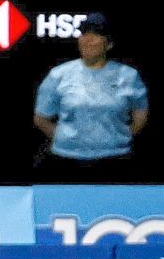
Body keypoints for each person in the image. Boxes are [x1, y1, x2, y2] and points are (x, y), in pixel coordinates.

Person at [32, 12, 148, 183]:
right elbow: (41, 119)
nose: (89, 39)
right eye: (85, 34)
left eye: (96, 35)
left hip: (115, 161)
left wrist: (117, 138)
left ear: (108, 44)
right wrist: (69, 140)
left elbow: (140, 113)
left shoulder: (128, 76)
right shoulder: (59, 75)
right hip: (67, 162)